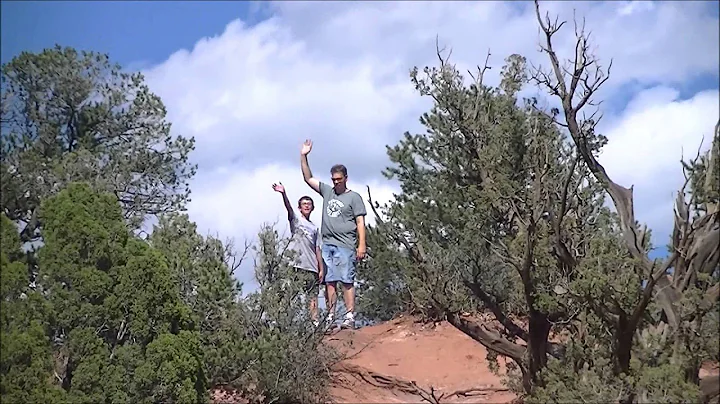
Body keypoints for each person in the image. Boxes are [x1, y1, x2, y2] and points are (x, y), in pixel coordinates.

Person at [299, 139, 367, 330]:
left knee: (347, 280)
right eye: (333, 180)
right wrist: (303, 156)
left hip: (346, 244)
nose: (336, 182)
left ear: (346, 178)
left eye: (339, 179)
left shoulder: (354, 197)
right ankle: (330, 316)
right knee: (330, 282)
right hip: (328, 243)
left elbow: (360, 222)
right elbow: (308, 178)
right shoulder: (328, 191)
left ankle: (349, 315)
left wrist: (362, 245)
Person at [271, 181, 324, 326]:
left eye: (309, 204)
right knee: (289, 294)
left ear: (312, 207)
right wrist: (284, 193)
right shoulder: (296, 220)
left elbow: (317, 249)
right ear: (299, 207)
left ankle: (315, 324)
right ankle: (282, 321)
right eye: (304, 204)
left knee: (312, 297)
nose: (307, 205)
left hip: (311, 266)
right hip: (295, 264)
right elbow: (288, 208)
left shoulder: (314, 228)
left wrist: (321, 269)